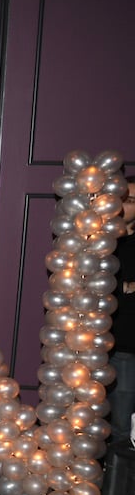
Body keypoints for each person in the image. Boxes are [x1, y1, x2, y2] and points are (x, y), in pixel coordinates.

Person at [111, 178, 135, 446]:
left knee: (121, 426)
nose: (122, 206)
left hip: (126, 347)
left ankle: (118, 487)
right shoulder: (102, 240)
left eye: (130, 201)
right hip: (88, 349)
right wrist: (124, 287)